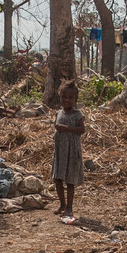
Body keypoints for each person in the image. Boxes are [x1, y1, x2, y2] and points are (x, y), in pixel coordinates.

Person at [52, 80, 85, 221]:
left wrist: (67, 129)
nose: (67, 100)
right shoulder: (59, 113)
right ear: (59, 97)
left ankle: (70, 207)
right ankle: (62, 204)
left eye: (70, 97)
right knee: (57, 178)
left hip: (72, 152)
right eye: (64, 97)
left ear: (75, 99)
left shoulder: (78, 114)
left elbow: (82, 130)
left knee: (70, 181)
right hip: (60, 152)